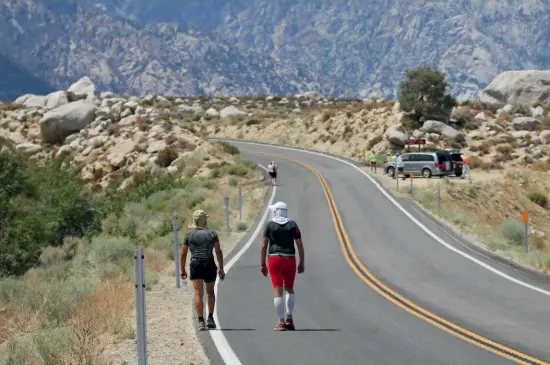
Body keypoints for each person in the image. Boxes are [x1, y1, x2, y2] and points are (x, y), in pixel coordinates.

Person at [261, 202, 304, 331]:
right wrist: (302, 261)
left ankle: (280, 322)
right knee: (289, 288)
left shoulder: (270, 225)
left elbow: (264, 246)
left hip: (274, 259)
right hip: (290, 258)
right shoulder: (292, 225)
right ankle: (289, 319)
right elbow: (300, 244)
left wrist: (262, 263)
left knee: (277, 289)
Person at [180, 210, 225, 331]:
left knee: (198, 293)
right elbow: (218, 251)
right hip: (209, 264)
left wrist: (182, 269)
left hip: (195, 264)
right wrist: (221, 268)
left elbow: (183, 252)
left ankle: (201, 321)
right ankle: (210, 318)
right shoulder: (212, 234)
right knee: (210, 292)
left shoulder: (189, 235)